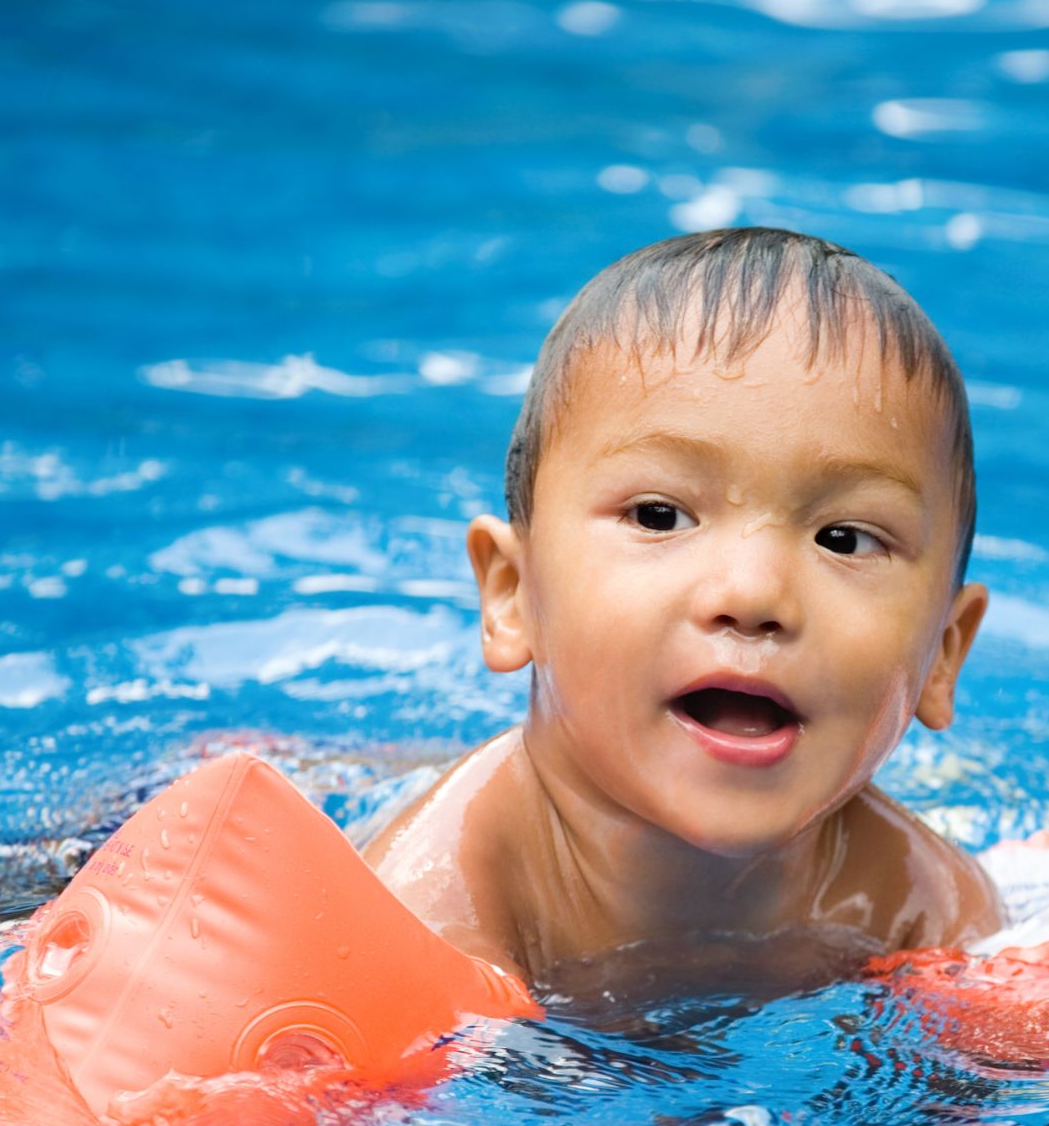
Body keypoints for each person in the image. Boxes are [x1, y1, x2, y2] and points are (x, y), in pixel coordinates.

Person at [361, 228, 1002, 1002]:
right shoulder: (437, 892)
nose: (754, 594)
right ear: (511, 594)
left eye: (844, 538)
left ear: (943, 653)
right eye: (660, 516)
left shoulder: (920, 902)